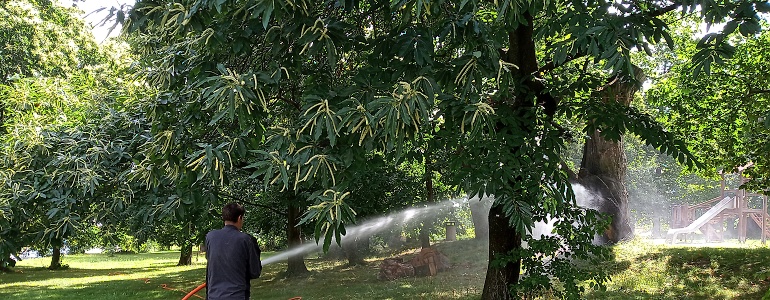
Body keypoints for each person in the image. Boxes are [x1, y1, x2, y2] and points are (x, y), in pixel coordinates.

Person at [206, 202, 262, 300]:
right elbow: (255, 272)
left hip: (213, 296)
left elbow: (211, 263)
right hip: (237, 296)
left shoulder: (210, 237)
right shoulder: (246, 239)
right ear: (239, 217)